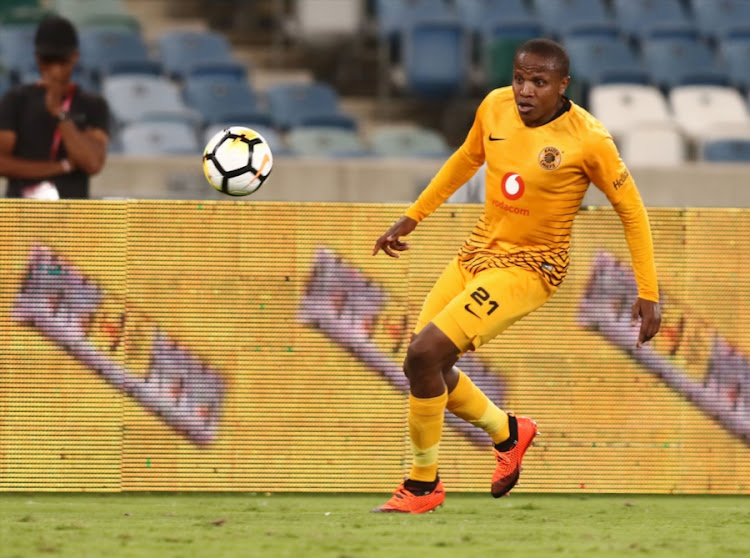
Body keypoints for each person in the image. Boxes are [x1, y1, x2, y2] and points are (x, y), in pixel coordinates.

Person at [371, 38, 662, 513]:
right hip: (477, 253)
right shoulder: (495, 107)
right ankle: (509, 433)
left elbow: (632, 211)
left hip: (531, 268)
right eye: (519, 78)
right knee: (423, 364)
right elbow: (466, 159)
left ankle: (423, 486)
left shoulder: (589, 139)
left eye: (539, 82)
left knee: (425, 354)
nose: (525, 90)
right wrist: (412, 217)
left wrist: (647, 292)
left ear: (563, 86)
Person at [0, 15, 109, 199]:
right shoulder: (16, 99)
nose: (54, 70)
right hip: (22, 217)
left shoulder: (93, 104)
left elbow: (92, 163)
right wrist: (62, 166)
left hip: (72, 217)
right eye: (48, 61)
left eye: (61, 61)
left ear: (75, 58)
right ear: (37, 59)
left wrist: (60, 114)